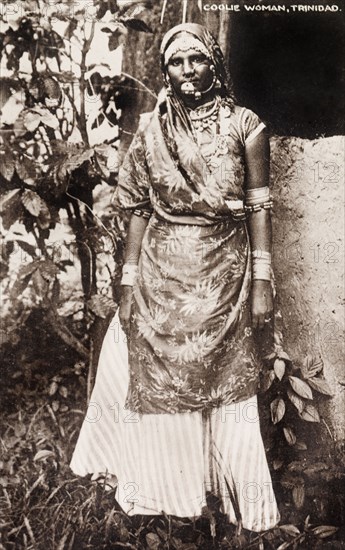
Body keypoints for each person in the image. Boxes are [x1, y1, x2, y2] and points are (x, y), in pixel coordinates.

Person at [70, 23, 280, 534]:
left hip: (223, 275)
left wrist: (261, 280)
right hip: (160, 275)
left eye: (197, 60)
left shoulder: (246, 125)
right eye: (176, 63)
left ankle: (237, 509)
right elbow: (139, 208)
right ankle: (171, 503)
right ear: (166, 70)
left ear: (214, 63)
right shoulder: (153, 129)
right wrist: (127, 280)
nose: (187, 71)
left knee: (226, 385)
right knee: (154, 382)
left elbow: (258, 206)